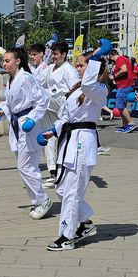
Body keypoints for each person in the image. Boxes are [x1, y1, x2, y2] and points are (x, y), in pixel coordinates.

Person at [39, 40, 112, 250]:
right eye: (78, 65)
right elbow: (65, 115)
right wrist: (53, 131)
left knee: (71, 191)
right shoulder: (77, 89)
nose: (77, 68)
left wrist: (96, 57)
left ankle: (67, 236)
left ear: (94, 68)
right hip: (69, 139)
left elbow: (89, 85)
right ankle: (86, 223)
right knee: (62, 188)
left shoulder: (99, 89)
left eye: (81, 65)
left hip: (82, 140)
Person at [0, 47, 52, 220]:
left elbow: (43, 100)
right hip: (17, 124)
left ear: (18, 61)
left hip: (28, 125)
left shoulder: (26, 78)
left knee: (25, 166)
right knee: (26, 167)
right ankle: (37, 200)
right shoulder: (11, 79)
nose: (4, 63)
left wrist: (32, 118)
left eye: (7, 60)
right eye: (3, 60)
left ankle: (43, 199)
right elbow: (10, 105)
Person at [41, 41, 81, 185]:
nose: (53, 57)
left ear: (64, 54)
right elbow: (39, 81)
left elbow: (76, 90)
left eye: (56, 54)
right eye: (52, 53)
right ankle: (53, 171)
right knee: (47, 136)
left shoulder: (69, 70)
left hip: (62, 104)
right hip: (50, 106)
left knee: (42, 94)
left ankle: (64, 170)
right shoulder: (50, 68)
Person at [111, 47, 138, 133]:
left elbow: (124, 70)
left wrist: (114, 76)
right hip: (124, 85)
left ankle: (130, 123)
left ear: (112, 55)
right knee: (120, 107)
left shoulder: (120, 59)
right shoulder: (124, 59)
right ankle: (125, 125)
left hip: (124, 86)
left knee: (120, 106)